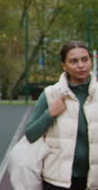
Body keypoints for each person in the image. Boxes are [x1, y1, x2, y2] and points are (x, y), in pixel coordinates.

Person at [25, 40, 97, 190]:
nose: (81, 65)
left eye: (85, 59)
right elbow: (31, 134)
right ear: (64, 66)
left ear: (91, 61)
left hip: (93, 181)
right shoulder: (51, 94)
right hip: (58, 181)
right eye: (73, 61)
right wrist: (50, 113)